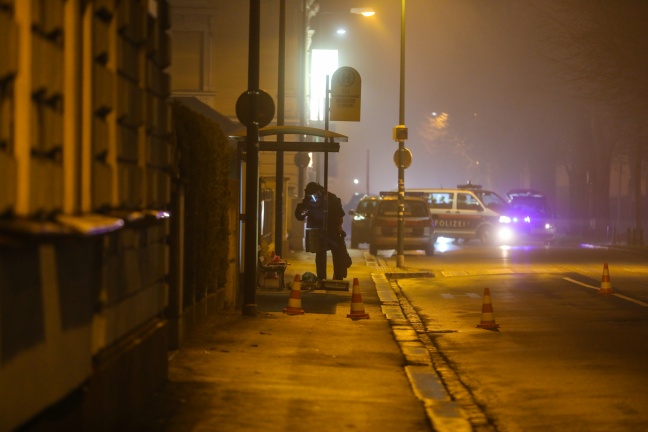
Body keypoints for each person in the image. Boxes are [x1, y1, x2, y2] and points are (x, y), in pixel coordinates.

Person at [295, 182, 352, 280]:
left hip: (332, 229)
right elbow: (300, 215)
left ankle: (338, 276)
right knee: (320, 255)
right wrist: (303, 210)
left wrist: (339, 228)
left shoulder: (331, 199)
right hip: (317, 231)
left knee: (337, 254)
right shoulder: (308, 200)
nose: (313, 199)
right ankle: (321, 277)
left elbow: (339, 216)